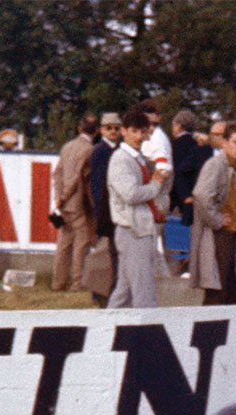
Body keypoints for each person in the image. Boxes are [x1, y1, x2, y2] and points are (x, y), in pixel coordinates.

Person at [106, 106, 170, 309]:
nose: (139, 136)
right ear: (123, 131)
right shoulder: (120, 159)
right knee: (143, 291)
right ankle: (147, 332)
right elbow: (131, 194)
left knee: (123, 293)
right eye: (134, 131)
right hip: (132, 230)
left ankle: (106, 333)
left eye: (142, 131)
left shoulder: (137, 157)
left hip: (138, 228)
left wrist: (154, 209)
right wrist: (155, 185)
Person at [191, 123, 236, 306]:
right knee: (218, 290)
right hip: (218, 235)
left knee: (232, 290)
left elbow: (232, 203)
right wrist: (216, 220)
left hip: (230, 233)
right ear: (224, 142)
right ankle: (207, 332)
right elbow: (201, 194)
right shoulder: (215, 165)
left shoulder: (232, 169)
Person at [51, 112, 98, 291]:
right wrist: (65, 196)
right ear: (96, 132)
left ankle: (58, 282)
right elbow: (77, 178)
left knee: (63, 244)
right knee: (81, 245)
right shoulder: (90, 150)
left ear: (79, 128)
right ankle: (77, 283)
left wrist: (58, 198)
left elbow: (58, 174)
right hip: (78, 203)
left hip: (64, 205)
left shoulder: (67, 147)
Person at [85, 111, 122, 303]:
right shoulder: (100, 151)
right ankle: (99, 291)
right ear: (101, 130)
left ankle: (107, 291)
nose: (113, 131)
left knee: (112, 255)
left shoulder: (119, 149)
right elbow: (97, 185)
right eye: (109, 128)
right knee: (104, 254)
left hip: (115, 209)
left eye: (116, 128)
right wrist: (101, 213)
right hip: (106, 211)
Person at [169, 109, 209, 228]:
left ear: (178, 126)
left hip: (177, 198)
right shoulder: (198, 145)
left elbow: (176, 172)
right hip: (196, 197)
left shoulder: (173, 145)